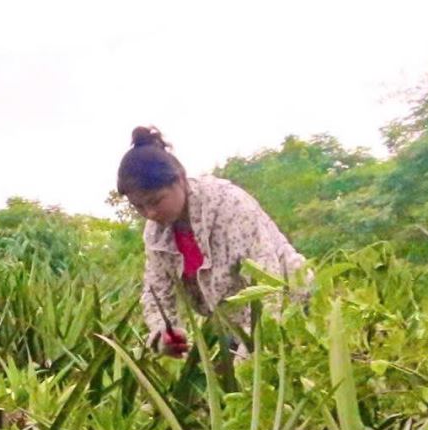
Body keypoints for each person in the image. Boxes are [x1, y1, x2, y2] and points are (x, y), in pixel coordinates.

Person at [117, 127, 310, 358]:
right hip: (234, 327)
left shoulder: (228, 204)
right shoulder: (156, 234)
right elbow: (156, 291)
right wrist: (163, 333)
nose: (149, 213)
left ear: (179, 179)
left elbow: (268, 283)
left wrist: (252, 359)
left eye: (155, 201)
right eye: (138, 207)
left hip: (292, 310)